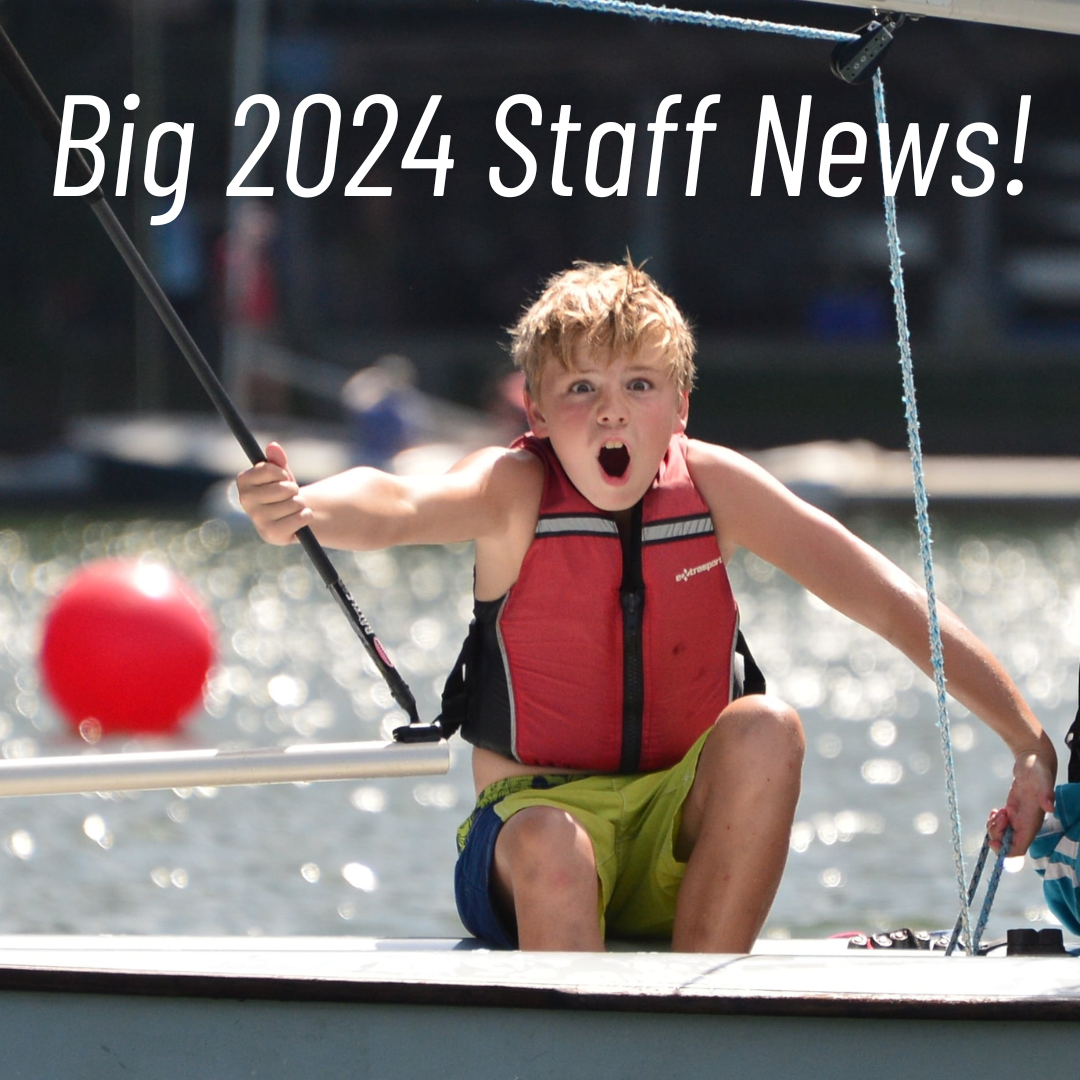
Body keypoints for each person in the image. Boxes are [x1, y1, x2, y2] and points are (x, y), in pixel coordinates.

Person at [237, 259, 1057, 953]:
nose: (611, 410)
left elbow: (889, 602)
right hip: (533, 838)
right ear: (535, 410)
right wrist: (304, 507)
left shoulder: (715, 487)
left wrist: (1028, 743)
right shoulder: (512, 489)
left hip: (677, 829)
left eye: (639, 384)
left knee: (768, 727)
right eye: (581, 387)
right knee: (557, 847)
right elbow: (398, 504)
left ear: (681, 406)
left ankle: (692, 1027)